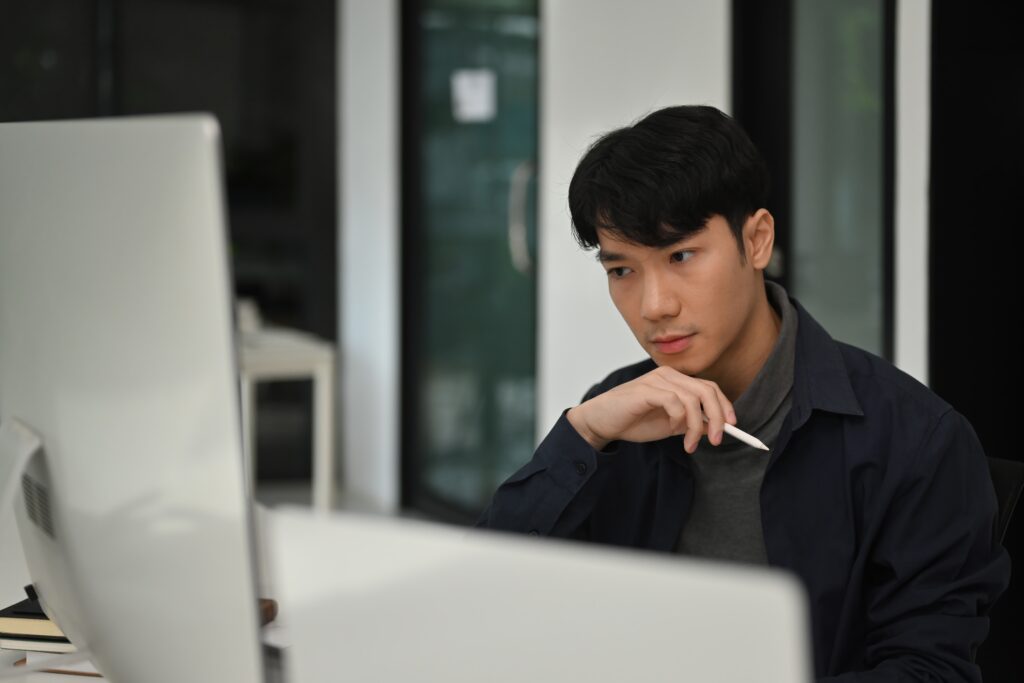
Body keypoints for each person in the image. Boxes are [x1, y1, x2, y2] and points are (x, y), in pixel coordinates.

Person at [476, 105, 1009, 681]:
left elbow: (930, 670)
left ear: (756, 241)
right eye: (622, 271)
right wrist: (583, 433)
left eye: (681, 256)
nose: (654, 305)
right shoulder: (617, 414)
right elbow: (489, 600)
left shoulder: (915, 440)